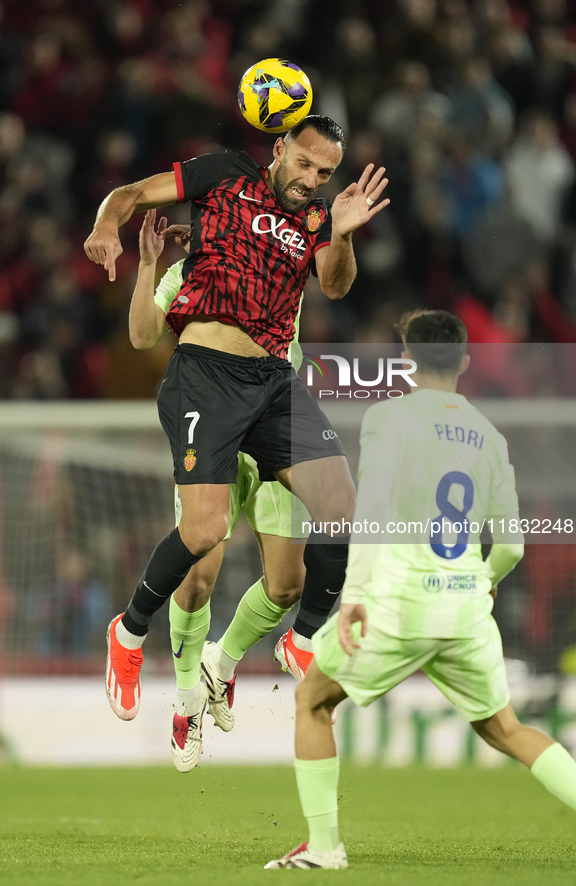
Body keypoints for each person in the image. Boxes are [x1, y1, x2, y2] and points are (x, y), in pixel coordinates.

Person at [84, 116, 389, 751]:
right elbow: (133, 194)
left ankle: (301, 641)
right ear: (280, 149)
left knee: (343, 514)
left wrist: (343, 235)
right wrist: (105, 225)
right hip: (205, 378)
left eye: (324, 174)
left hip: (275, 383)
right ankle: (130, 631)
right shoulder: (224, 177)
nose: (311, 181)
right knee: (204, 533)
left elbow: (333, 284)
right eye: (304, 164)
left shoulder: (314, 222)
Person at [266, 310, 576, 870]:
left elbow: (372, 507)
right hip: (466, 606)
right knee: (508, 729)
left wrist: (356, 593)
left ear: (407, 362)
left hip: (400, 602)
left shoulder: (389, 418)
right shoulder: (489, 436)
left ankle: (324, 848)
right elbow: (511, 546)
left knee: (312, 700)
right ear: (465, 363)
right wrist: (482, 582)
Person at [130, 209, 311, 771]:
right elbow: (141, 335)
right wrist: (146, 265)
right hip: (213, 426)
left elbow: (331, 269)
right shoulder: (184, 274)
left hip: (279, 424)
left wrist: (343, 230)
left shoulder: (284, 258)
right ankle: (187, 702)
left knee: (287, 586)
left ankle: (222, 662)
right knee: (198, 579)